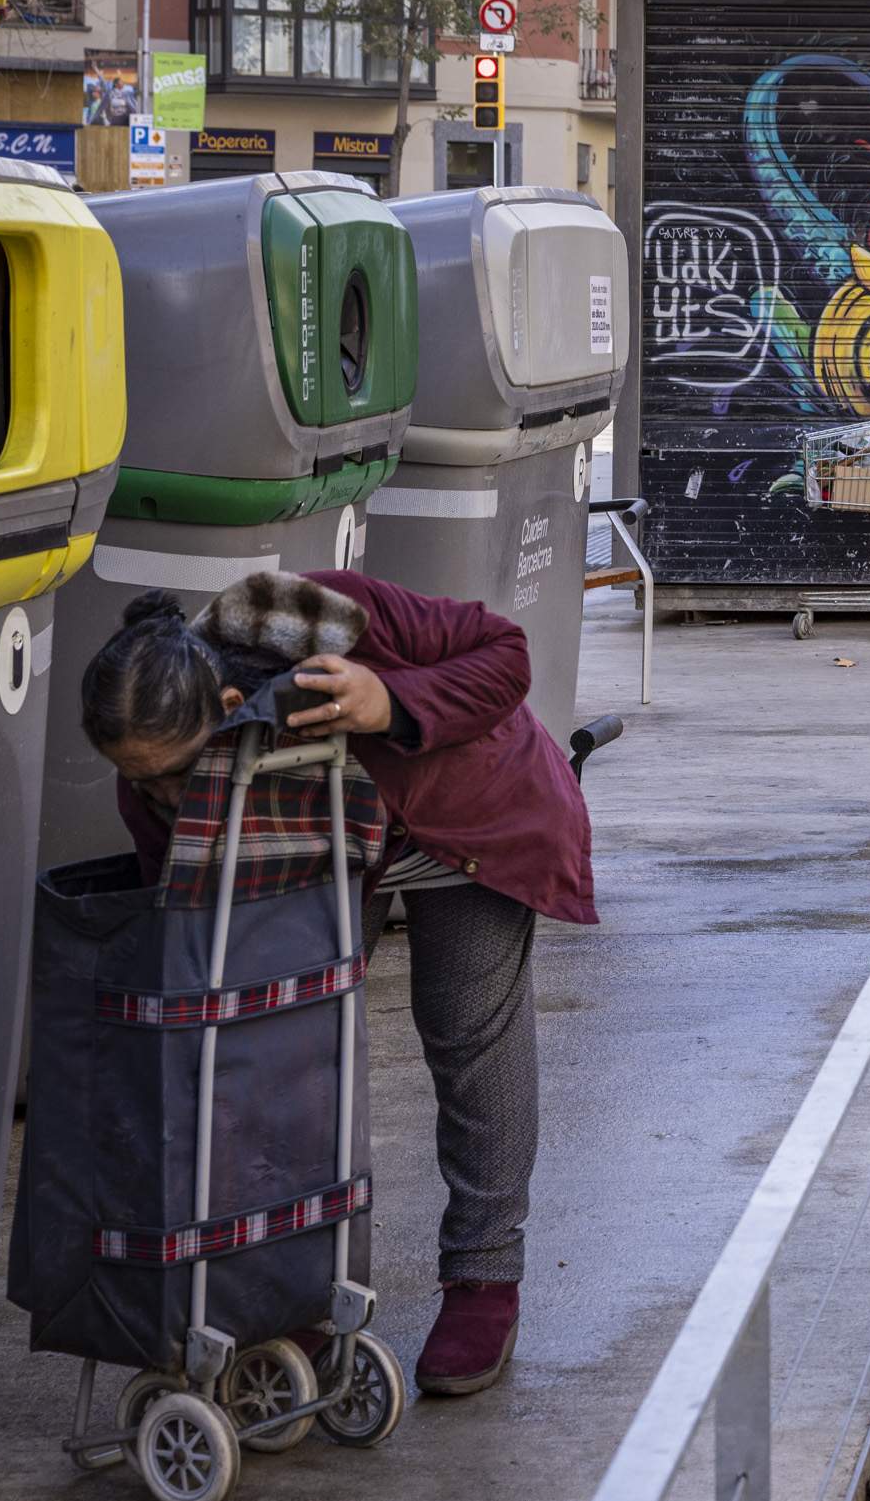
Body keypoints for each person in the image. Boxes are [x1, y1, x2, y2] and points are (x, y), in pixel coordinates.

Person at [79, 570, 595, 1399]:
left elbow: (506, 654)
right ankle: (293, 1284)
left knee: (465, 1031)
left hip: (461, 818)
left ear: (236, 700)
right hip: (315, 845)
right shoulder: (149, 781)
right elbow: (180, 912)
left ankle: (483, 1279)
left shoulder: (328, 617)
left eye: (176, 772)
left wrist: (387, 699)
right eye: (141, 778)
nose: (164, 795)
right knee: (285, 1048)